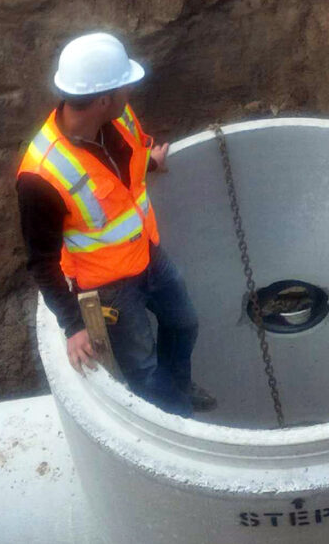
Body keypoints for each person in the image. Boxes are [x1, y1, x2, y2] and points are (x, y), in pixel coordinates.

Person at [16, 31, 215, 417]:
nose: (131, 93)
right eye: (124, 86)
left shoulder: (119, 116)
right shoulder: (42, 174)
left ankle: (178, 388)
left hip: (147, 252)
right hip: (109, 287)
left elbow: (129, 164)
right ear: (104, 98)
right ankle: (180, 422)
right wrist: (73, 325)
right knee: (141, 366)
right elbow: (40, 261)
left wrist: (151, 163)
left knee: (184, 323)